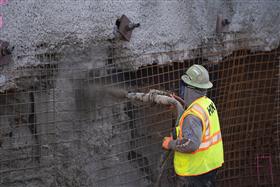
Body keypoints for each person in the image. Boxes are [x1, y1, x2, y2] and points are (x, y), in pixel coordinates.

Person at [162, 64, 224, 187]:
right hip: (209, 166)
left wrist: (170, 144)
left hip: (194, 172)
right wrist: (180, 103)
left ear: (189, 88)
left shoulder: (192, 116)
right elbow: (195, 117)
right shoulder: (207, 103)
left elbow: (191, 144)